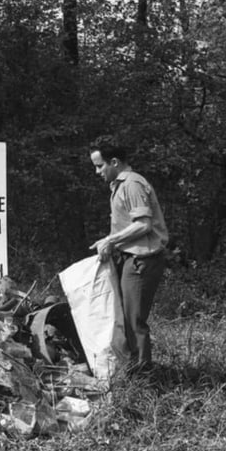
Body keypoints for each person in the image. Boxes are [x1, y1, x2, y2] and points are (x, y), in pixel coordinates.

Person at [89, 143, 168, 373]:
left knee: (134, 321)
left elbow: (143, 225)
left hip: (142, 260)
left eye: (99, 166)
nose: (97, 172)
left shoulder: (132, 184)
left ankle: (143, 377)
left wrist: (111, 241)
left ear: (114, 162)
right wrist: (109, 242)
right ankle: (128, 370)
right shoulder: (119, 186)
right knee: (122, 317)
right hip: (128, 258)